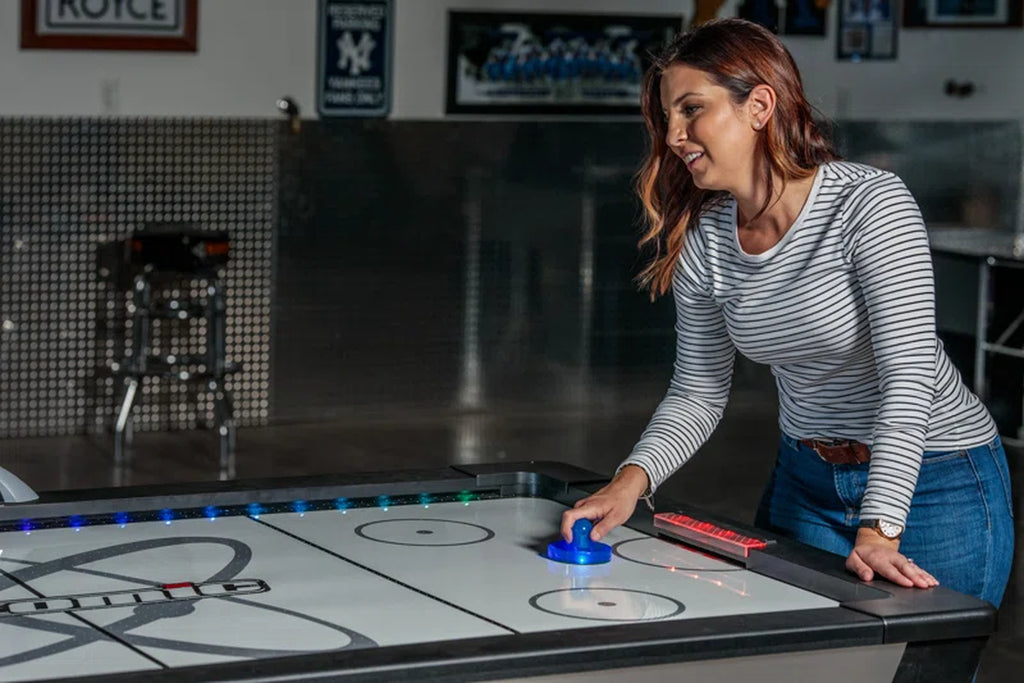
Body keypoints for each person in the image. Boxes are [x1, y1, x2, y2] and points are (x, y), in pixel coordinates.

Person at [560, 18, 1014, 608]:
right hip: (808, 480)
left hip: (938, 478)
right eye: (667, 116)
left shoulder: (867, 203)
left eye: (691, 109)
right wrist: (627, 483)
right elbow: (699, 390)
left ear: (759, 106)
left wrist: (879, 528)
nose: (674, 134)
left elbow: (909, 381)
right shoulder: (707, 238)